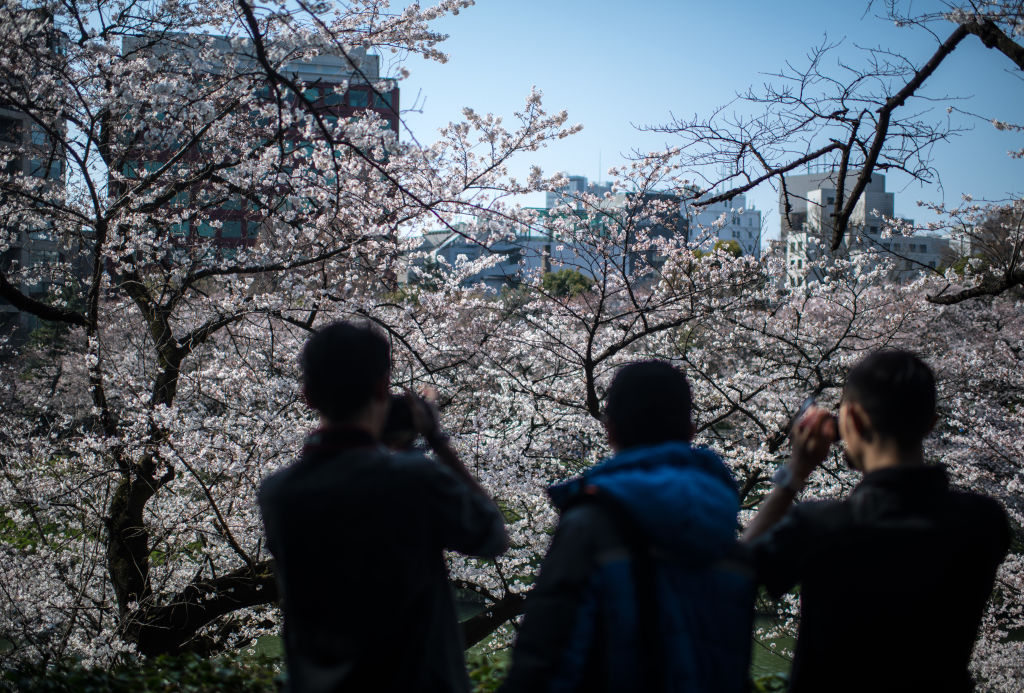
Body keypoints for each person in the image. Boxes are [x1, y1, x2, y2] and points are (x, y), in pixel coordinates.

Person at [258, 321, 508, 693]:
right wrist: (435, 440)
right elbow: (491, 535)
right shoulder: (414, 478)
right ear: (382, 387)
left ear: (308, 395)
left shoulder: (277, 493)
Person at [743, 349, 1011, 692]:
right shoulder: (984, 522)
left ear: (851, 420)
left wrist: (795, 474)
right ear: (931, 423)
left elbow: (734, 571)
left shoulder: (820, 525)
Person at [501, 360, 753, 693]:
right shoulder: (723, 524)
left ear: (610, 428)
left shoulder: (592, 522)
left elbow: (543, 660)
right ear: (691, 431)